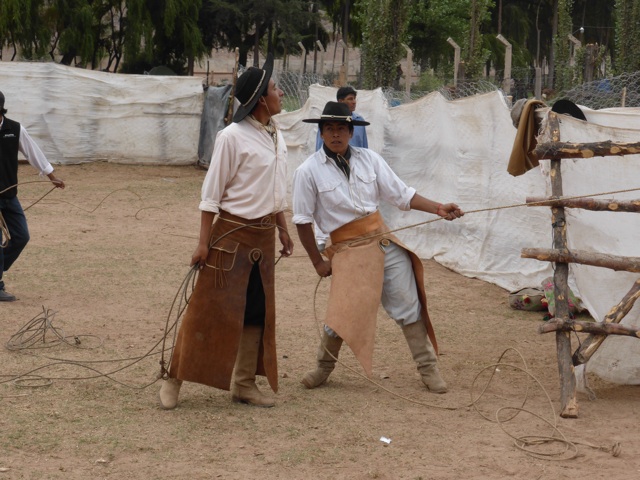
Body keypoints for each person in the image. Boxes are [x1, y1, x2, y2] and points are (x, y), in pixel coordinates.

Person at [292, 101, 463, 394]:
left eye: (342, 129)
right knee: (342, 314)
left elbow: (402, 195)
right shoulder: (307, 171)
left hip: (383, 241)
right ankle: (323, 367)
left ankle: (428, 368)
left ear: (350, 132)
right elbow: (302, 221)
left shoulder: (369, 159)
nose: (336, 134)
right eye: (330, 129)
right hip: (347, 251)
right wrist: (318, 263)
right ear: (320, 133)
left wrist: (438, 208)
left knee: (408, 305)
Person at [158, 54, 294, 410]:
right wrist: (203, 243)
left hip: (263, 239)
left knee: (255, 312)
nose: (281, 92)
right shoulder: (232, 137)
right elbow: (211, 196)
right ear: (262, 99)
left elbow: (276, 190)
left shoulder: (276, 134)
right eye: (276, 88)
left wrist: (283, 230)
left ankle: (244, 384)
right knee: (208, 309)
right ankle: (174, 378)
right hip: (230, 236)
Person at [0, 91, 65, 302]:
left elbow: (33, 153)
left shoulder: (15, 129)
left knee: (21, 236)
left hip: (9, 195)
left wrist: (52, 177)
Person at [314, 86, 368, 250]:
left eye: (354, 99)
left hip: (353, 165)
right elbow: (319, 145)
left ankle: (354, 233)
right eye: (350, 99)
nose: (353, 102)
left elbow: (364, 146)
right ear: (340, 101)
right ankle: (321, 238)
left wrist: (363, 166)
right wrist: (322, 165)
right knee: (324, 199)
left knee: (352, 198)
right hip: (331, 163)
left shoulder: (359, 121)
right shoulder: (326, 123)